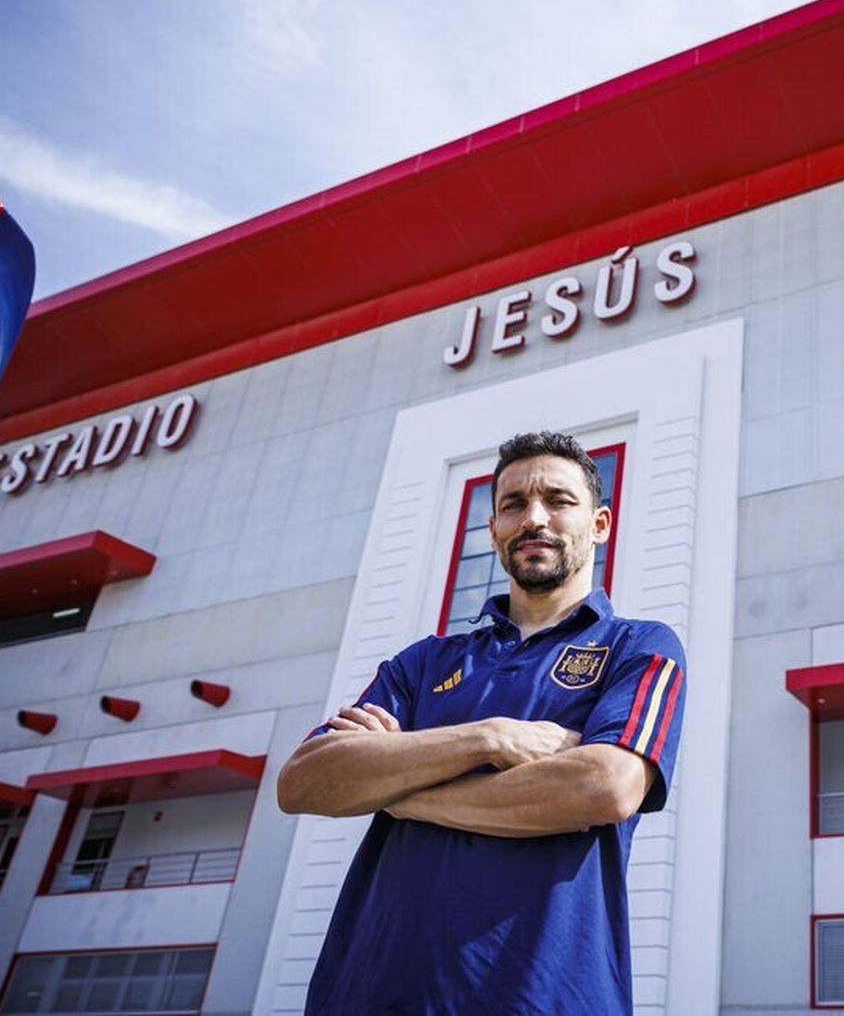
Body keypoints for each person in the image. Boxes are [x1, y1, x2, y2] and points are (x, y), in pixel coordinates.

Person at [277, 430, 686, 1015]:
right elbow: (304, 782)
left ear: (599, 524)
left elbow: (605, 786)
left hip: (541, 999)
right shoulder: (424, 663)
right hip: (368, 993)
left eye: (558, 501)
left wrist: (399, 791)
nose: (534, 518)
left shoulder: (640, 647)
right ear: (494, 530)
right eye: (513, 504)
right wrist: (490, 737)